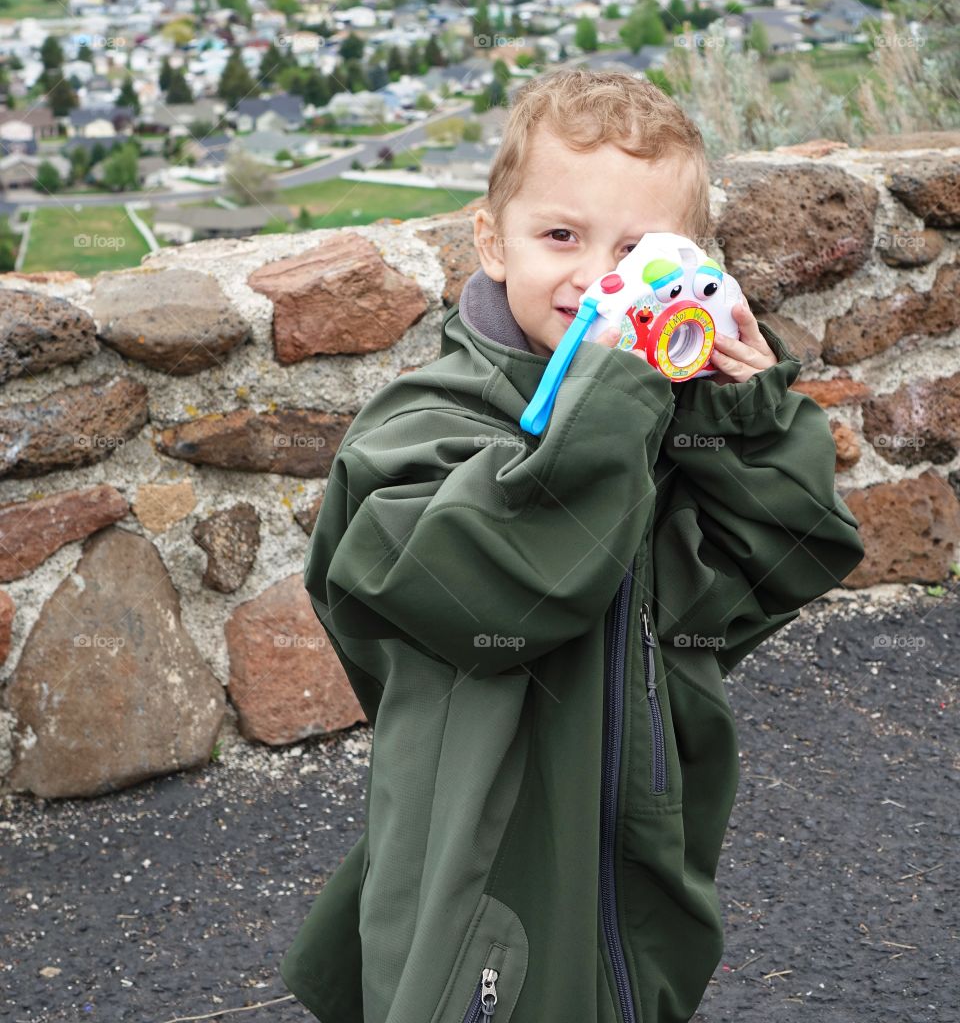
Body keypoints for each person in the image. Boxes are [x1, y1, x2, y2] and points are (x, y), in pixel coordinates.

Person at [279, 69, 865, 1023]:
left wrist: (742, 422)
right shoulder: (420, 428)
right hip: (486, 864)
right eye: (562, 236)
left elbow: (772, 569)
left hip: (639, 843)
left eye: (639, 253)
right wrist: (616, 403)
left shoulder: (661, 418)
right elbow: (501, 594)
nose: (599, 278)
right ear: (491, 241)